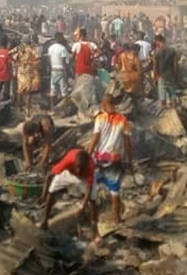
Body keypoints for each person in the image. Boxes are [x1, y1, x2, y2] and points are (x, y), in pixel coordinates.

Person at [88, 94, 132, 229]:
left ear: (104, 105)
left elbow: (95, 139)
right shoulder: (123, 119)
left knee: (92, 187)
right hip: (115, 160)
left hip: (99, 159)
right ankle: (117, 219)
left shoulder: (100, 118)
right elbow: (127, 143)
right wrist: (129, 160)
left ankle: (92, 218)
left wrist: (88, 156)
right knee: (114, 190)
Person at [39, 148, 97, 237]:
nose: (78, 171)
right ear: (75, 162)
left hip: (84, 178)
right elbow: (49, 176)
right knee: (51, 192)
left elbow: (89, 189)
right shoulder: (68, 160)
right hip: (68, 173)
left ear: (86, 165)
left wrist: (82, 207)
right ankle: (45, 220)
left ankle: (94, 229)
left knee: (92, 200)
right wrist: (43, 194)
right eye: (77, 167)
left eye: (81, 168)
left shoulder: (90, 167)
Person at [152, 35, 179, 108]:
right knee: (173, 94)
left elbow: (155, 66)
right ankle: (174, 108)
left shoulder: (156, 52)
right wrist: (176, 75)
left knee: (162, 96)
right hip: (171, 75)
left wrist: (155, 77)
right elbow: (175, 65)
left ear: (158, 41)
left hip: (161, 76)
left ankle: (164, 110)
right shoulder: (172, 51)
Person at [16, 40, 42, 116]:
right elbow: (38, 60)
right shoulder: (32, 50)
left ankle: (19, 108)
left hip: (20, 73)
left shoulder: (18, 49)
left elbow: (11, 57)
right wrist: (32, 64)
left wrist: (19, 64)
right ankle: (28, 110)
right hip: (28, 73)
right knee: (28, 92)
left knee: (20, 91)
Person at [47, 33, 70, 103]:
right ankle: (63, 106)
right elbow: (63, 61)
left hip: (53, 70)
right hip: (61, 70)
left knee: (53, 90)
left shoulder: (50, 48)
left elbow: (49, 60)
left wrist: (51, 68)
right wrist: (65, 72)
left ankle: (52, 107)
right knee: (64, 91)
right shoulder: (62, 48)